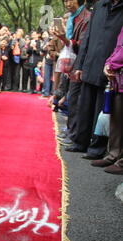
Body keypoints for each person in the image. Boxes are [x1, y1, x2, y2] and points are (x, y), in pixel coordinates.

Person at [67, 0, 123, 155]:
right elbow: (87, 38)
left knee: (102, 108)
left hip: (110, 67)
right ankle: (80, 142)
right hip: (90, 63)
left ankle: (97, 147)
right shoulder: (100, 6)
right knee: (84, 106)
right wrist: (79, 65)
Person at [52, 0, 91, 154]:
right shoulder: (73, 17)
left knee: (75, 98)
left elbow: (81, 44)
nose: (67, 3)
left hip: (79, 63)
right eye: (65, 1)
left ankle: (75, 135)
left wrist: (64, 39)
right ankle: (71, 131)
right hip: (71, 62)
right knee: (71, 97)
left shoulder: (86, 17)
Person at [91, 26, 123, 174]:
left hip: (119, 71)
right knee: (115, 119)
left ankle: (121, 161)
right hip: (117, 79)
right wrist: (107, 64)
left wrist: (113, 64)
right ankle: (113, 155)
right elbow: (117, 49)